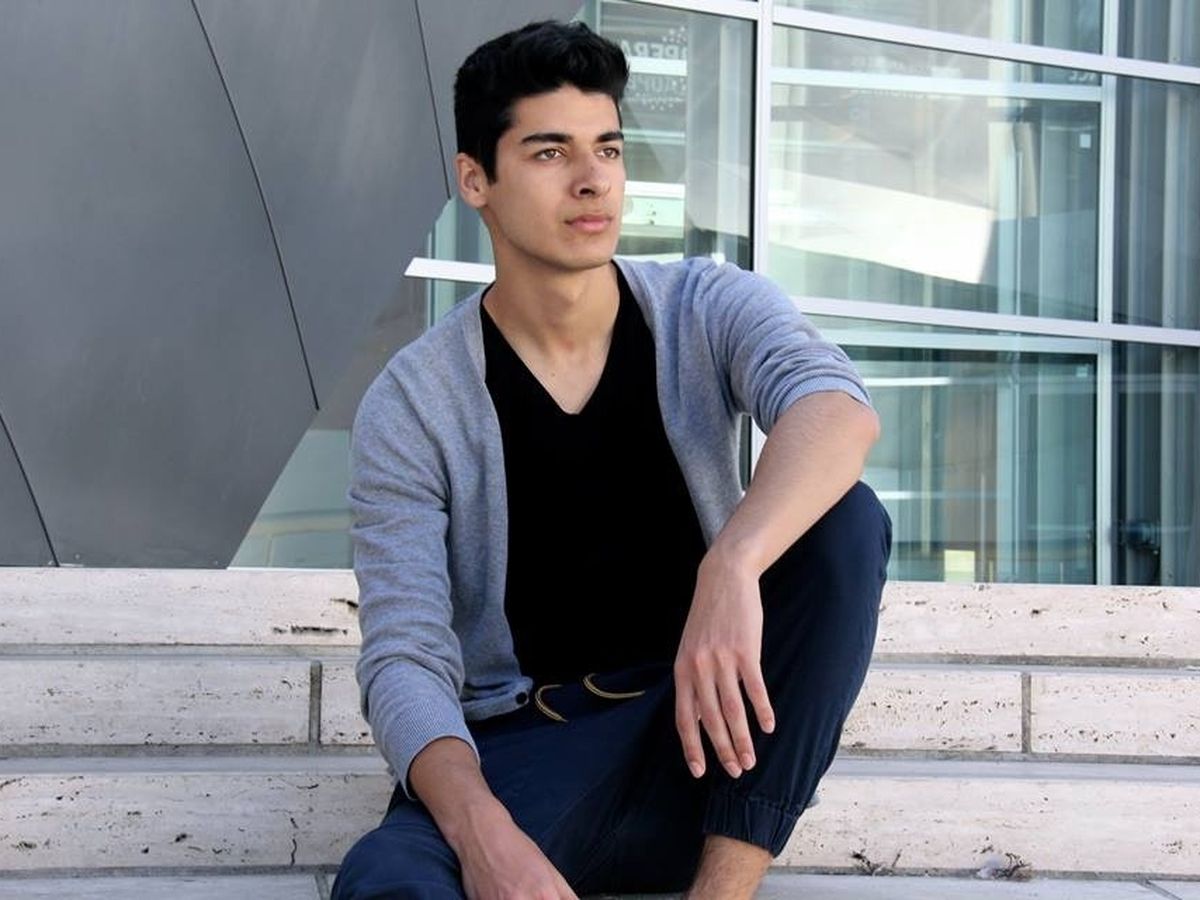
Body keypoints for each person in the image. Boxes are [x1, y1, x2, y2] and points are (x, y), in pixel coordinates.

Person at [332, 19, 891, 900]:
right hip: (534, 751)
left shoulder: (703, 305)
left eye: (609, 149)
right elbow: (405, 654)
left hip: (709, 746)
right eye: (551, 152)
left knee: (845, 521)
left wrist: (733, 564)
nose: (593, 179)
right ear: (476, 180)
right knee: (387, 881)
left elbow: (836, 411)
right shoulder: (415, 402)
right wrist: (482, 833)